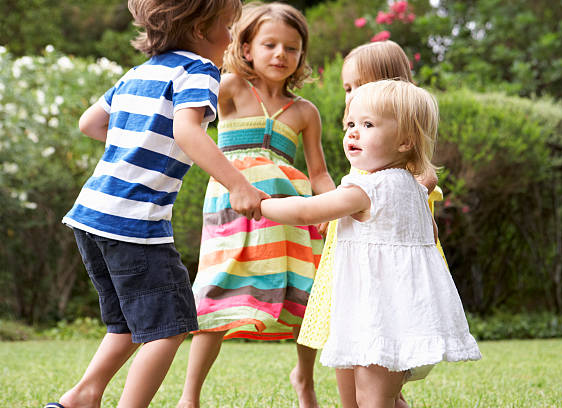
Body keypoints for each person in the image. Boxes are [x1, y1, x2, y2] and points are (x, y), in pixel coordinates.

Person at [45, 1, 269, 407]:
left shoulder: (139, 73)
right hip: (134, 221)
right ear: (202, 29)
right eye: (229, 26)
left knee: (130, 324)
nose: (233, 37)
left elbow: (89, 123)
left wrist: (137, 139)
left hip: (93, 214)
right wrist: (238, 184)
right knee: (169, 326)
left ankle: (82, 396)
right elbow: (187, 131)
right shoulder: (199, 70)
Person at [261, 80, 482, 408]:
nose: (353, 132)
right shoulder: (413, 189)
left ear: (406, 140)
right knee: (386, 398)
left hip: (378, 319)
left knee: (372, 399)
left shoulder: (368, 189)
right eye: (350, 124)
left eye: (367, 125)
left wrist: (261, 205)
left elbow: (307, 210)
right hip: (405, 316)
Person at [177, 3, 335, 408]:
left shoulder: (304, 112)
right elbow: (190, 126)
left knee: (305, 289)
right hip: (234, 204)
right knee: (217, 286)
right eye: (270, 44)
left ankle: (305, 378)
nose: (281, 54)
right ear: (246, 47)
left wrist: (332, 209)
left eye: (292, 48)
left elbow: (317, 173)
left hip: (289, 211)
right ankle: (189, 396)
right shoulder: (228, 87)